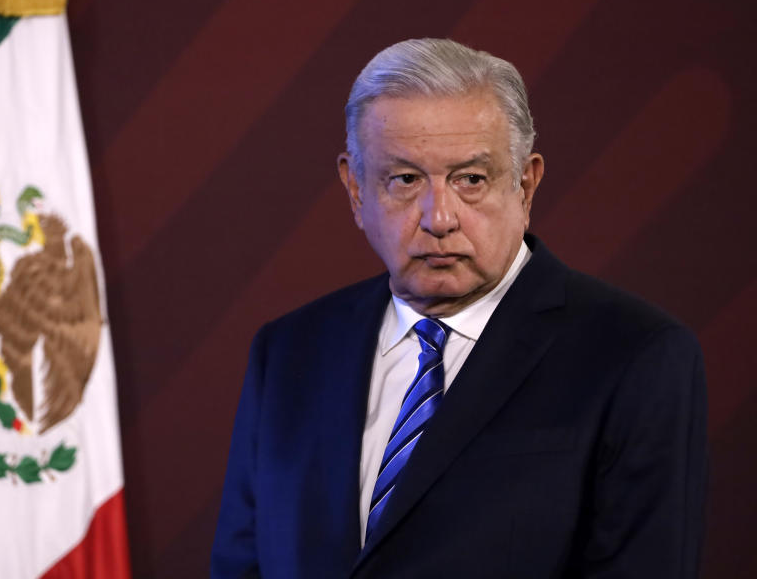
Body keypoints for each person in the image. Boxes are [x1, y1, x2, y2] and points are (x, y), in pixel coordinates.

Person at [211, 38, 707, 578]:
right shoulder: (288, 353)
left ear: (525, 184)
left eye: (471, 179)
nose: (439, 217)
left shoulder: (635, 356)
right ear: (355, 190)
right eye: (404, 180)